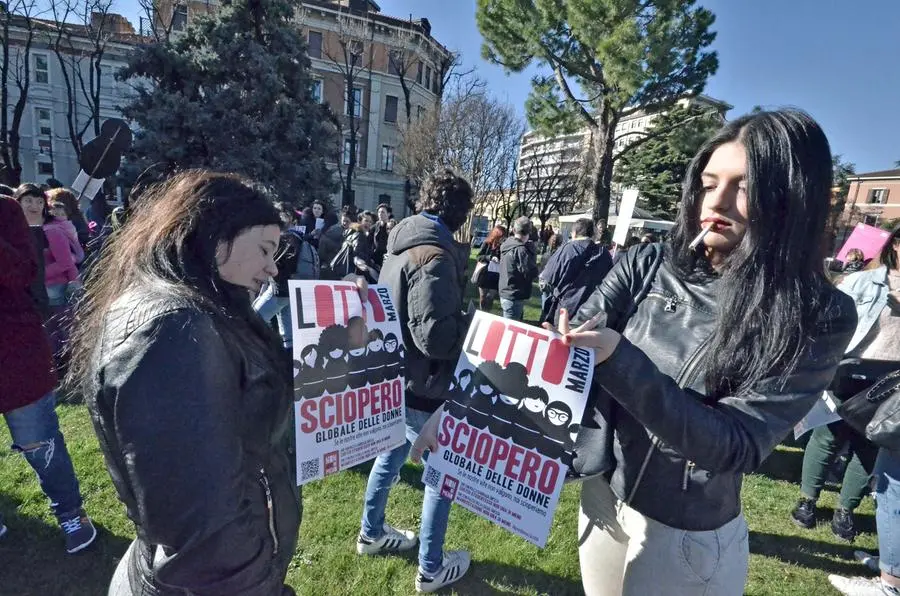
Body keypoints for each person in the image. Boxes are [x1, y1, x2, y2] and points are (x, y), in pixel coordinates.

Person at [413, 109, 857, 595]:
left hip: (685, 529)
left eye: (744, 188)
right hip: (604, 496)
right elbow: (560, 354)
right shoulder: (650, 264)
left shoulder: (818, 313)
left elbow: (737, 444)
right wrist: (468, 412)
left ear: (792, 197)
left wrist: (619, 360)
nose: (717, 203)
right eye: (709, 184)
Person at [68, 171, 368, 594]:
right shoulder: (173, 331)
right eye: (265, 248)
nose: (272, 267)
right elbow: (209, 538)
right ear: (215, 232)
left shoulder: (204, 306)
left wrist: (342, 331)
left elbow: (255, 380)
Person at [356, 169, 475, 594]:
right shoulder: (435, 256)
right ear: (461, 212)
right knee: (442, 473)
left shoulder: (399, 244)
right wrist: (474, 324)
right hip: (426, 384)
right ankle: (431, 567)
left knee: (390, 453)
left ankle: (371, 532)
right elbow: (436, 338)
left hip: (398, 375)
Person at [0, 195, 97, 554]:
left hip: (16, 355)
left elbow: (25, 272)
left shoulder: (7, 210)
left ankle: (71, 513)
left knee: (40, 444)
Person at [827, 227, 900, 596]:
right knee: (835, 440)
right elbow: (831, 316)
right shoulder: (864, 281)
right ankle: (892, 565)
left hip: (895, 389)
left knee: (884, 470)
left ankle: (890, 580)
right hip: (856, 375)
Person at [253, 202, 313, 349]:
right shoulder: (298, 236)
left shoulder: (285, 237)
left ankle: (267, 350)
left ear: (290, 218)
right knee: (288, 333)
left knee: (255, 317)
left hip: (281, 289)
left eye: (282, 215)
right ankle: (288, 362)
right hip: (291, 288)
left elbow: (279, 265)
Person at [538, 218, 613, 326]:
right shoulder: (605, 255)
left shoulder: (568, 249)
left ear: (574, 233)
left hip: (565, 311)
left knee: (559, 340)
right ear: (594, 234)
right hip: (591, 313)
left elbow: (545, 281)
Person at [499, 216, 538, 321]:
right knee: (510, 330)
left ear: (513, 230)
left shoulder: (508, 243)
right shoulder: (521, 250)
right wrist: (532, 254)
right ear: (529, 232)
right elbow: (531, 272)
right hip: (514, 294)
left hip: (506, 291)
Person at [476, 225, 506, 310]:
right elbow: (479, 257)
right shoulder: (487, 243)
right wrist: (489, 258)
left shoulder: (503, 246)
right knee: (483, 297)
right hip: (485, 273)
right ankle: (482, 313)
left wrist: (500, 260)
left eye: (503, 236)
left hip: (496, 274)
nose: (502, 238)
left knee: (490, 297)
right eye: (500, 236)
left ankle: (488, 313)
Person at [372, 202, 392, 267]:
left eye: (383, 212)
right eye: (379, 212)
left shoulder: (392, 226)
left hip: (387, 257)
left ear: (388, 214)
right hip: (375, 257)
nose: (380, 214)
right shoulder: (375, 227)